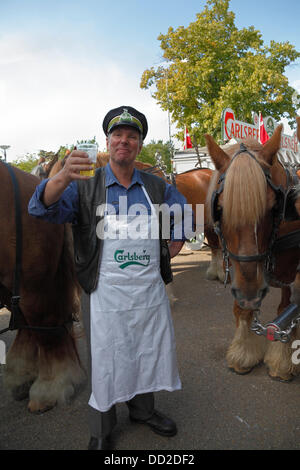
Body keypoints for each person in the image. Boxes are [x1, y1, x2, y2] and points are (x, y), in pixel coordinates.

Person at [28, 105, 194, 450]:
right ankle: (102, 428)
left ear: (139, 145)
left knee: (146, 347)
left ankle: (143, 411)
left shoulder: (155, 186)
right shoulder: (84, 187)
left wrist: (172, 246)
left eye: (132, 136)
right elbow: (40, 208)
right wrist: (60, 178)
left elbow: (184, 216)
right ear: (107, 141)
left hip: (146, 289)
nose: (124, 141)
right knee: (105, 353)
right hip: (102, 291)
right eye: (117, 134)